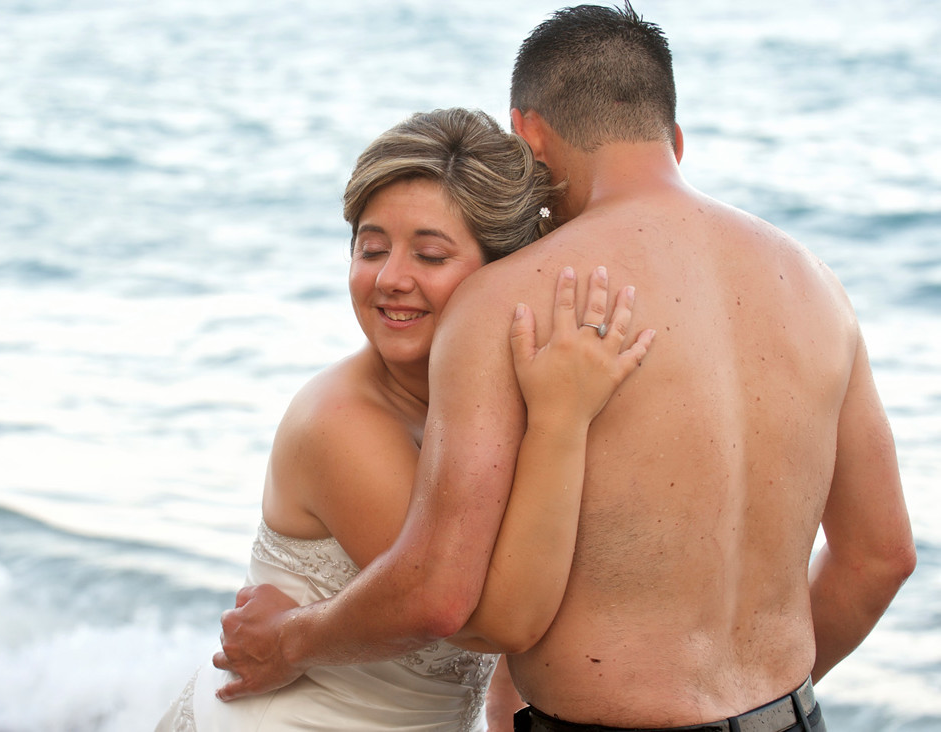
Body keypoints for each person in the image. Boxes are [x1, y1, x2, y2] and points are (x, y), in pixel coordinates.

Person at [213, 4, 917, 731]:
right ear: (674, 139)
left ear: (528, 137)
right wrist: (762, 706)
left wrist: (292, 639)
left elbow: (448, 598)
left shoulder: (513, 301)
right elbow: (881, 558)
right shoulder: (817, 286)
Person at [156, 107, 654, 731]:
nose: (391, 279)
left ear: (504, 272)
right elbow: (489, 619)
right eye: (371, 249)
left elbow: (513, 644)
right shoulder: (338, 423)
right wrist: (564, 419)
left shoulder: (497, 406)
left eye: (429, 255)